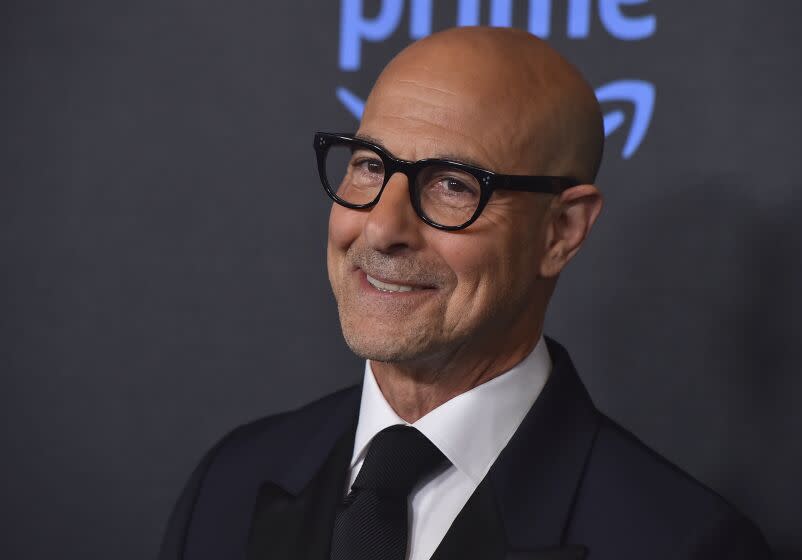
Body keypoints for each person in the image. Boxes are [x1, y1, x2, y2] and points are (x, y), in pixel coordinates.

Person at [158, 26, 771, 560]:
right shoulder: (230, 486)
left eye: (452, 184)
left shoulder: (684, 545)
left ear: (561, 231)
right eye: (370, 165)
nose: (380, 227)